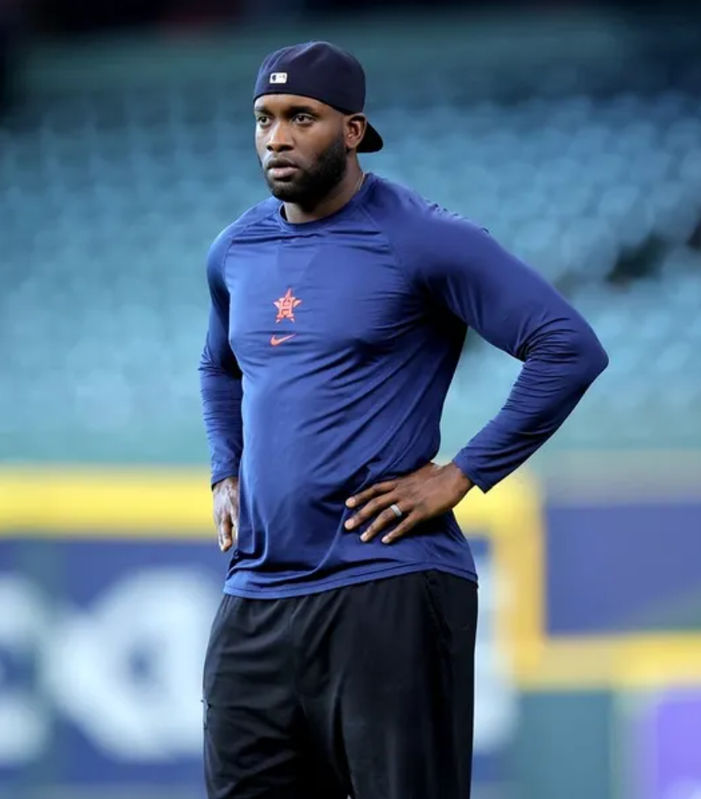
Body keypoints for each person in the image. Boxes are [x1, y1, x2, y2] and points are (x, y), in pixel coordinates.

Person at [198, 41, 608, 799]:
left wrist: (461, 473)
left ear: (353, 131)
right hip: (257, 596)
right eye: (264, 119)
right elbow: (218, 365)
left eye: (301, 117)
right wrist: (226, 467)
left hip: (386, 586)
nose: (277, 138)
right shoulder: (236, 250)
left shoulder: (421, 236)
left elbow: (568, 347)